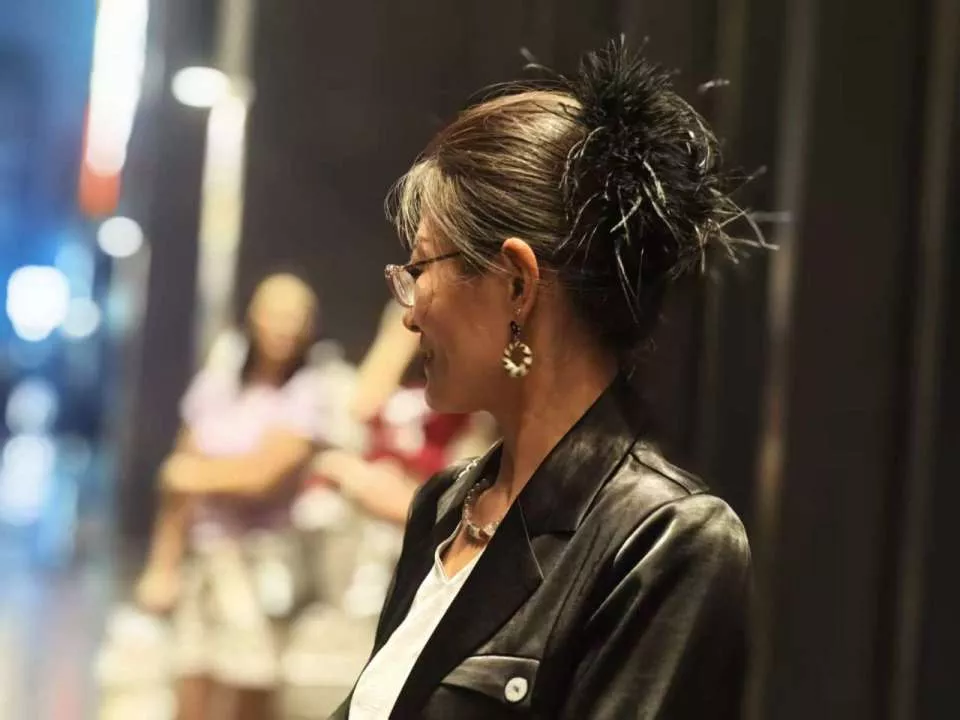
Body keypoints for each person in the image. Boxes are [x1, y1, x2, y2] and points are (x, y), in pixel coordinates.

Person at [333, 40, 755, 719]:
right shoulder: (446, 503)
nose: (410, 314)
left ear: (517, 285)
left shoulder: (666, 539)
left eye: (419, 270)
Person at [135, 272, 334, 720]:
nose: (284, 326)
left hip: (262, 562)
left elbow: (261, 478)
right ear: (254, 317)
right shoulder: (219, 382)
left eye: (296, 316)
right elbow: (177, 479)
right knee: (190, 678)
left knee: (250, 682)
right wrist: (163, 564)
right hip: (203, 554)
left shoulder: (308, 391)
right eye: (276, 313)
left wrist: (196, 475)